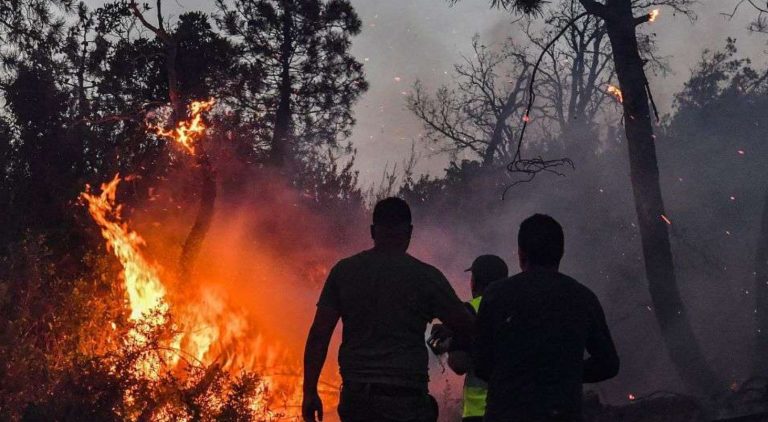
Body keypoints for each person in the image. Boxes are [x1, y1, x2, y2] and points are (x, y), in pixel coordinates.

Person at [302, 197, 475, 422]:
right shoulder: (426, 277)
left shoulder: (344, 272)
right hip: (407, 401)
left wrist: (309, 391)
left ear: (373, 231)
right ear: (409, 232)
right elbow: (466, 327)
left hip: (357, 401)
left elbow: (319, 335)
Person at [474, 214, 619, 422]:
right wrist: (565, 372)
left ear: (521, 254)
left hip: (506, 413)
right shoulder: (582, 297)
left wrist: (516, 374)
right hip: (560, 412)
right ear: (561, 253)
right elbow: (608, 364)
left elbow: (481, 363)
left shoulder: (497, 295)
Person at [429, 255, 508, 422]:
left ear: (475, 281)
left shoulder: (469, 311)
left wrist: (449, 345)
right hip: (515, 407)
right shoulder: (516, 310)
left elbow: (459, 363)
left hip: (479, 412)